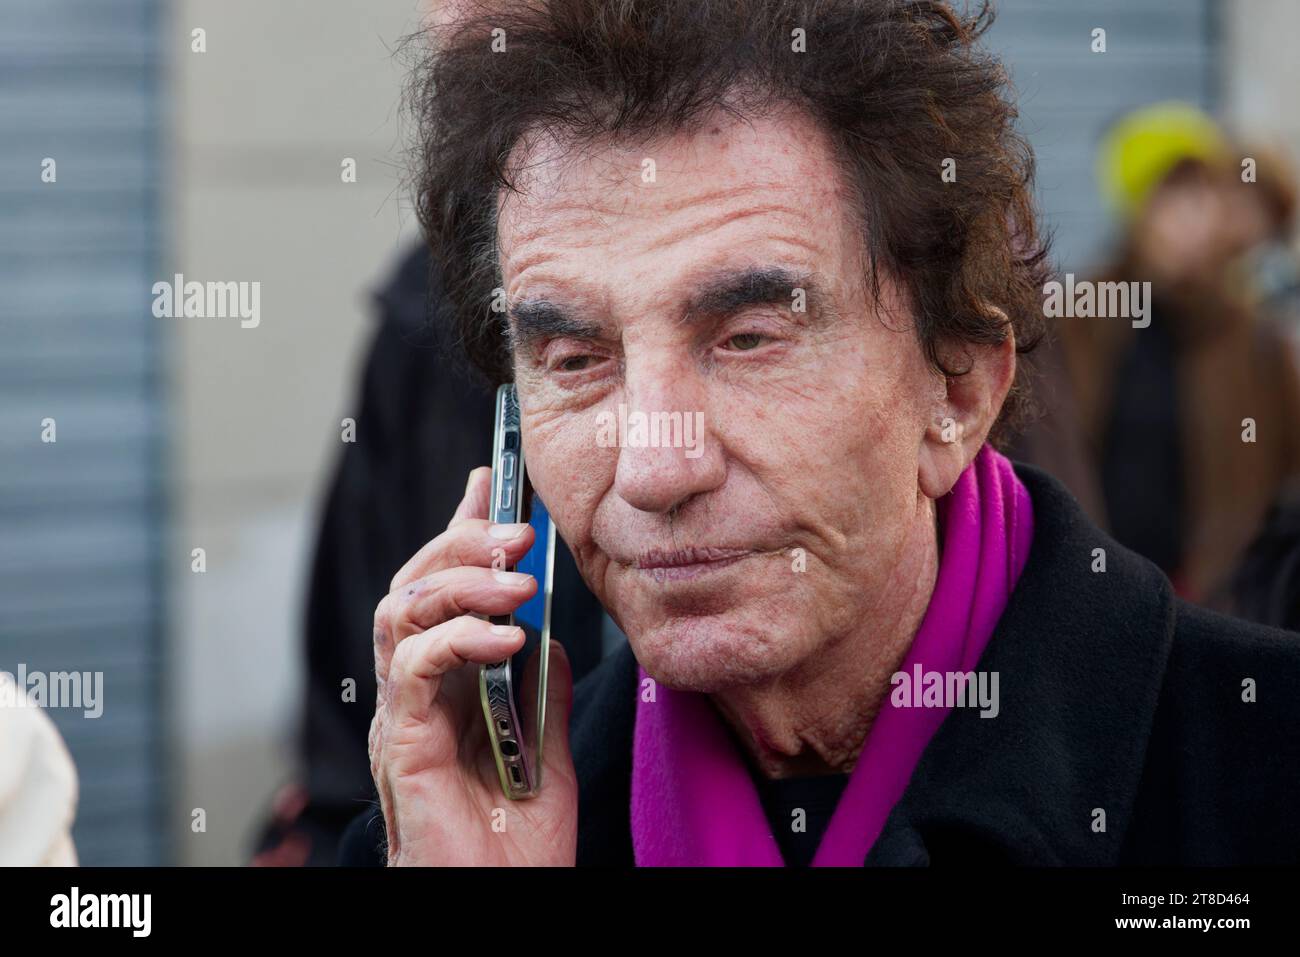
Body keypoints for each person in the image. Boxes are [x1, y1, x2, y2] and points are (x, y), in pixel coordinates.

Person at [345, 0, 1300, 866]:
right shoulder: (466, 829)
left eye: (749, 339)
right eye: (576, 360)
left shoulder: (1256, 771)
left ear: (960, 389)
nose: (653, 466)